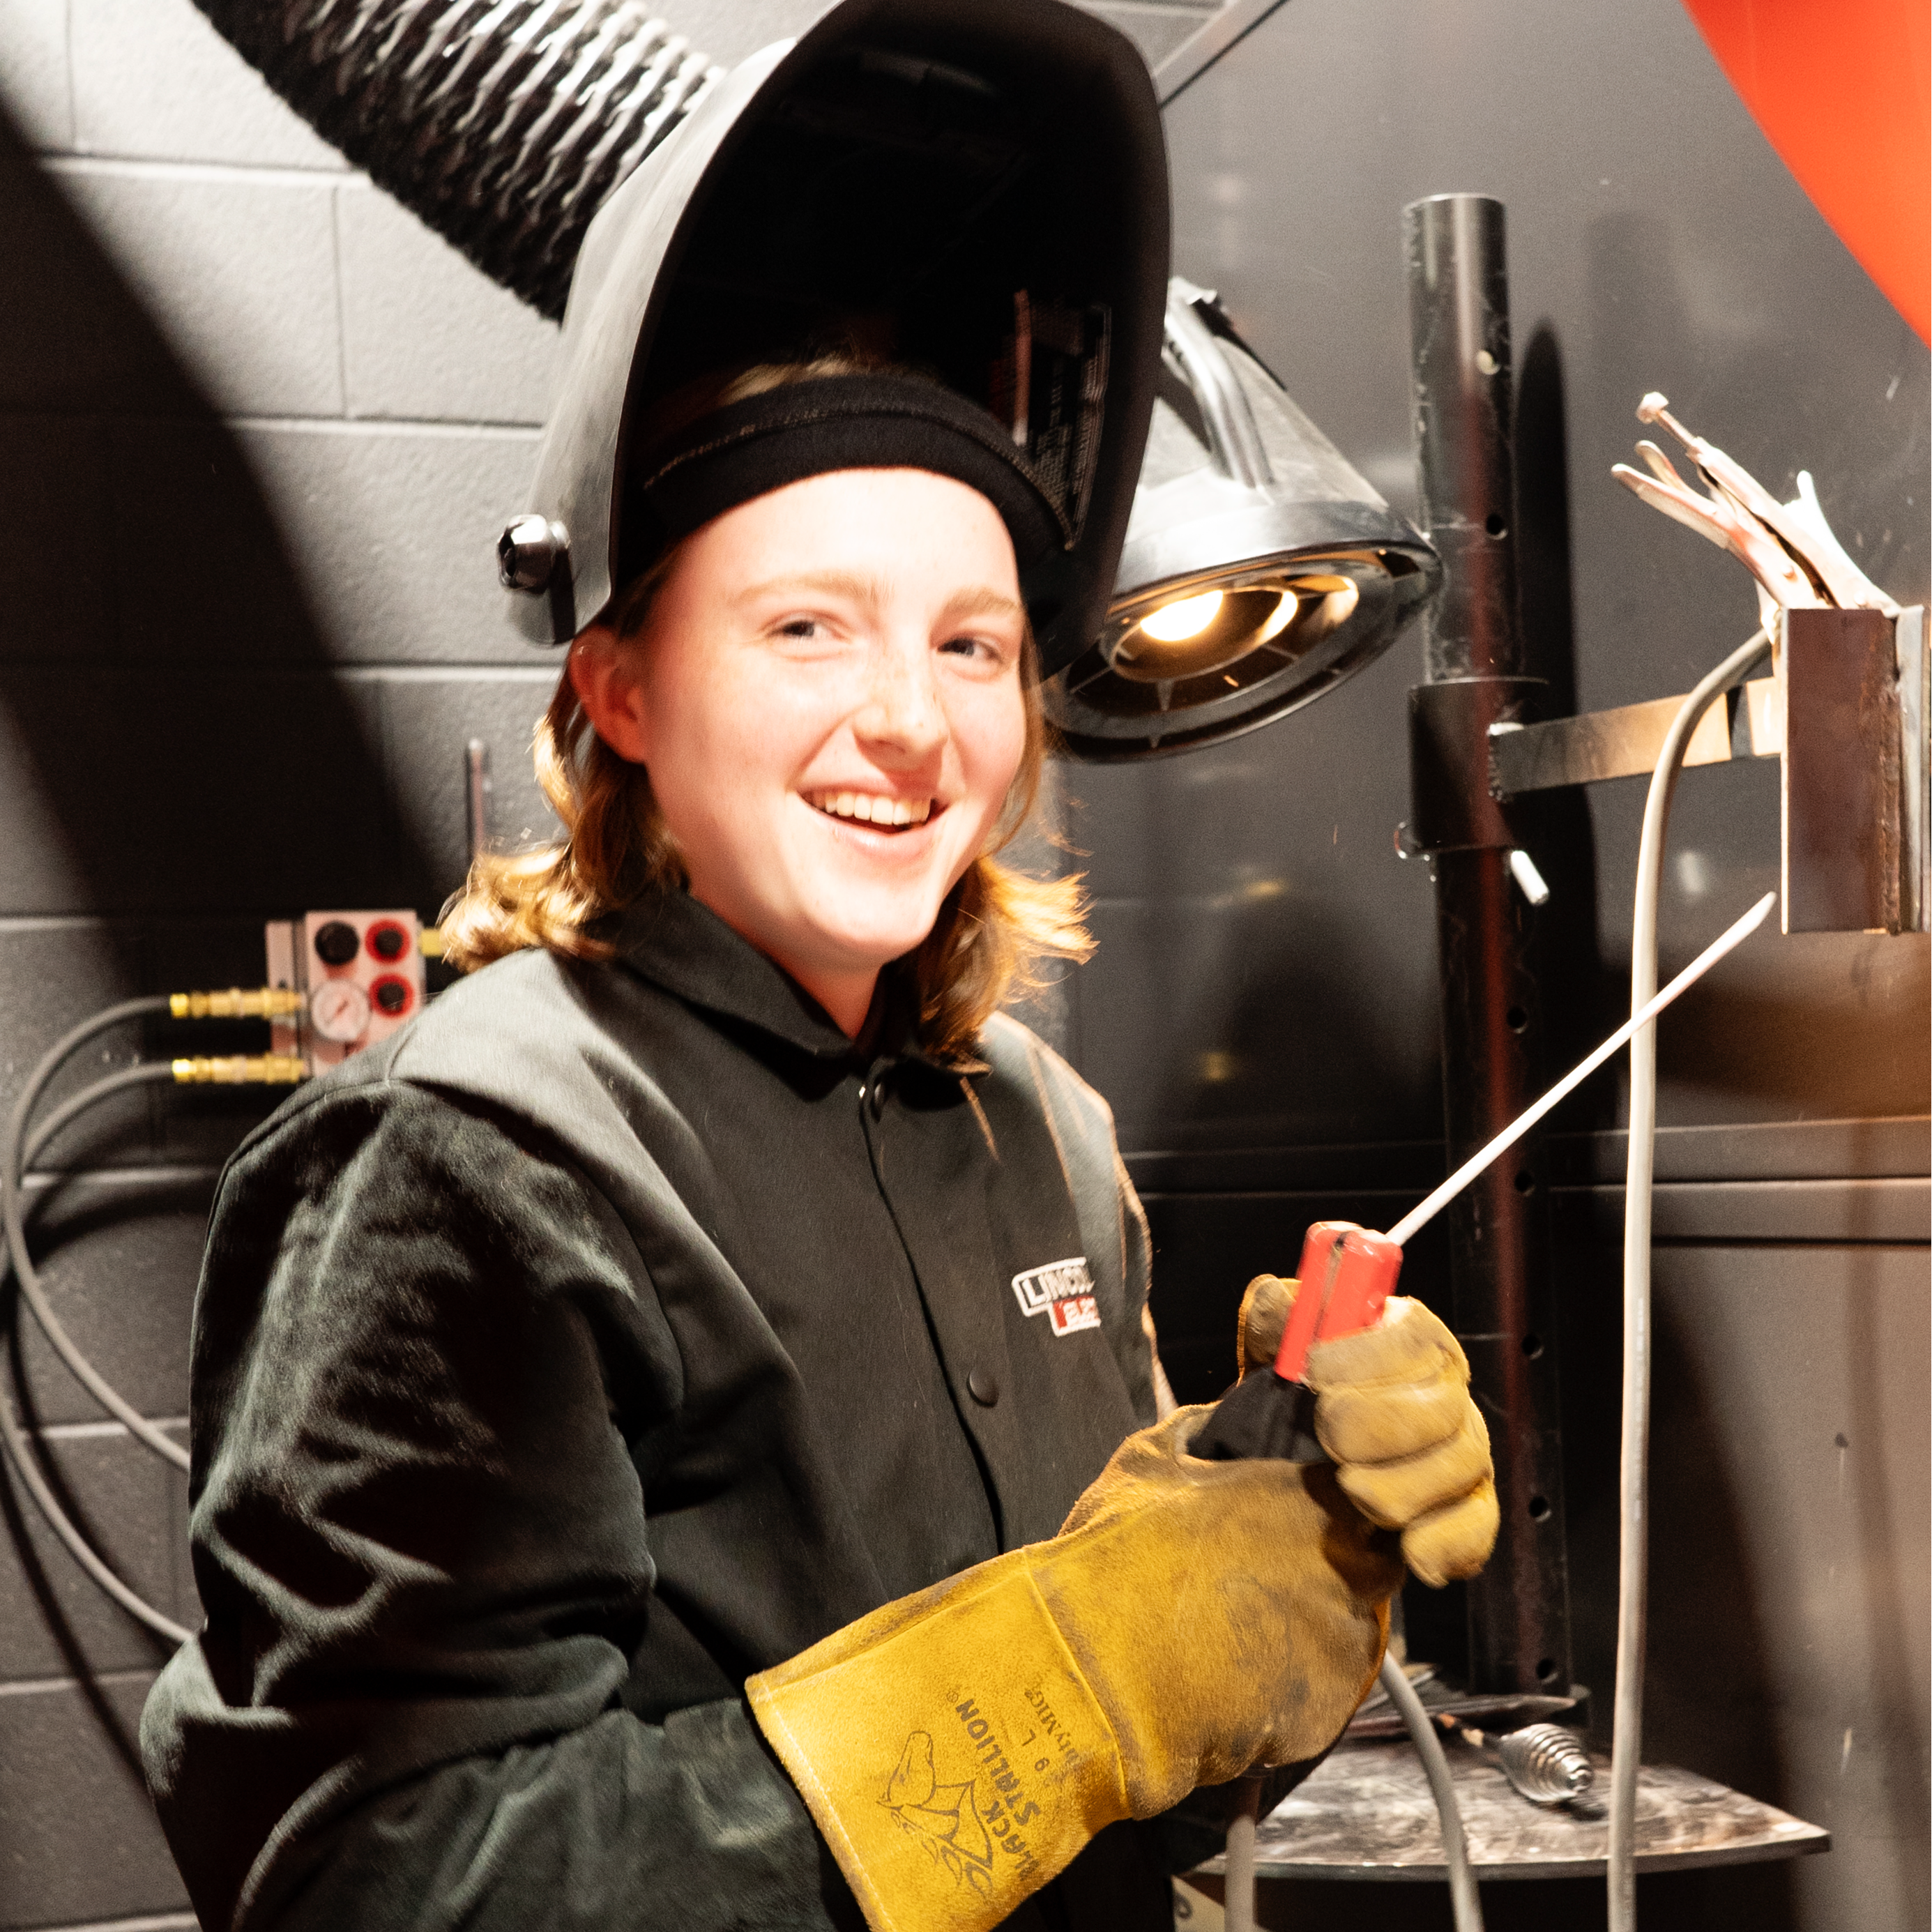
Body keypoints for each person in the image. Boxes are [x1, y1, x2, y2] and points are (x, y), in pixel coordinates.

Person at [140, 12, 1497, 1929]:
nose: (909, 724)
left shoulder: (1031, 1119)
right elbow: (377, 1880)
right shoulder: (471, 1168)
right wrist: (1074, 1674)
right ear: (616, 687)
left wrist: (1275, 1519)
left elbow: (1139, 1786)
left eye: (969, 645)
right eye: (804, 627)